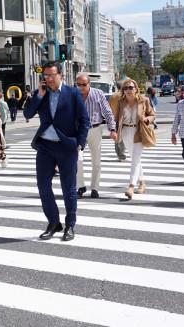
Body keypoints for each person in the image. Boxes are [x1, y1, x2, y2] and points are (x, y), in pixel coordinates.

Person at [23, 62, 88, 242]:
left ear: (61, 75)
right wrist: (39, 95)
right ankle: (53, 222)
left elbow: (84, 121)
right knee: (43, 186)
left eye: (53, 75)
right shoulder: (40, 94)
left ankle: (70, 225)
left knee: (69, 189)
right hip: (45, 145)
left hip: (66, 146)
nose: (49, 79)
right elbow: (27, 114)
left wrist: (80, 144)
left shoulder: (73, 93)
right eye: (46, 75)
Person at [74, 74, 118, 199]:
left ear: (89, 84)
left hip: (95, 129)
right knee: (78, 159)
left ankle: (95, 188)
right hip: (79, 131)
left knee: (96, 161)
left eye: (84, 84)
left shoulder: (98, 93)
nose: (81, 87)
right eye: (79, 84)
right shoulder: (74, 94)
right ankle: (80, 186)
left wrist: (113, 128)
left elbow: (107, 112)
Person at [113, 78, 156, 198]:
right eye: (125, 88)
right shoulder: (121, 102)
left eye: (130, 88)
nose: (128, 90)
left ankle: (131, 186)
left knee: (135, 158)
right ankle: (142, 183)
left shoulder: (144, 100)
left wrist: (147, 119)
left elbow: (152, 115)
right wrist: (113, 130)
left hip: (139, 131)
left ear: (135, 89)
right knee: (135, 159)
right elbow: (117, 118)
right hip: (126, 131)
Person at [108, 92, 128, 162]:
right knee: (121, 138)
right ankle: (121, 156)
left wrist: (108, 123)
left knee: (117, 138)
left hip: (113, 119)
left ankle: (119, 154)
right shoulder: (124, 96)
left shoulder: (112, 97)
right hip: (123, 119)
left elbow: (108, 110)